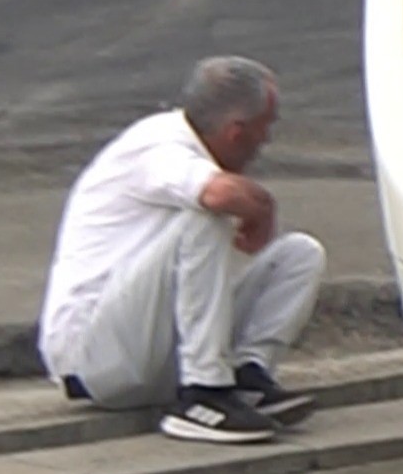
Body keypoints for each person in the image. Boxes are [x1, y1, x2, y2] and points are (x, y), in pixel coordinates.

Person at [38, 56, 327, 444]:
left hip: (151, 352)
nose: (267, 140)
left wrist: (257, 210)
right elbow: (217, 195)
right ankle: (204, 395)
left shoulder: (191, 150)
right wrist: (262, 208)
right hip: (97, 362)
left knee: (299, 254)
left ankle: (247, 376)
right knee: (206, 215)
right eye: (266, 126)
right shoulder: (158, 145)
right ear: (236, 131)